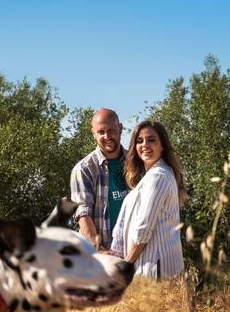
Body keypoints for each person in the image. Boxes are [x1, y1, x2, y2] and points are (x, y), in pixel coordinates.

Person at [110, 120, 185, 279]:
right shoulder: (153, 176)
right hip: (150, 268)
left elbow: (143, 228)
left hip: (155, 268)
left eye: (151, 140)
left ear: (162, 145)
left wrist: (126, 264)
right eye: (139, 141)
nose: (144, 144)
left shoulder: (158, 176)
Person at [70, 108, 130, 251]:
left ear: (120, 128)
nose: (107, 136)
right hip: (100, 256)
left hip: (134, 252)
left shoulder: (134, 163)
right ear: (93, 134)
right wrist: (101, 251)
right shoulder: (84, 169)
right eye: (101, 132)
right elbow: (83, 214)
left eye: (111, 130)